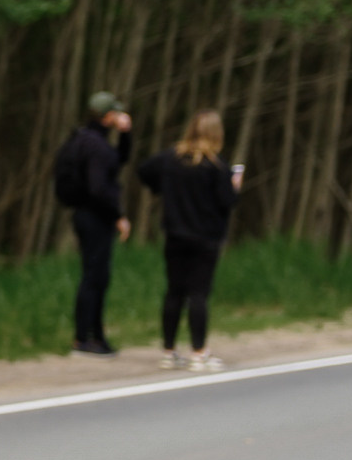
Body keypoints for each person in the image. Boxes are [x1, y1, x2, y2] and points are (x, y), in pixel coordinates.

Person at [135, 110, 242, 371]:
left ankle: (169, 352)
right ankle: (198, 353)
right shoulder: (217, 166)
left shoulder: (171, 158)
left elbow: (143, 171)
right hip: (205, 238)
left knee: (174, 292)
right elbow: (228, 202)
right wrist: (235, 185)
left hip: (175, 234)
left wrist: (162, 187)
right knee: (198, 294)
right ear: (217, 134)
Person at [55, 92, 134, 356]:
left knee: (99, 276)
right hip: (95, 217)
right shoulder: (96, 146)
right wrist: (118, 216)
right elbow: (99, 188)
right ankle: (83, 339)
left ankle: (96, 336)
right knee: (94, 277)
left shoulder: (84, 139)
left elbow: (118, 161)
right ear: (108, 116)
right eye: (116, 114)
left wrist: (125, 134)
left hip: (86, 215)